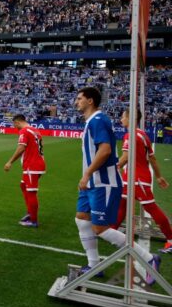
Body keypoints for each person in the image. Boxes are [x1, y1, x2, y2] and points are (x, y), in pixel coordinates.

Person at [73, 87, 160, 282]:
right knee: (81, 218)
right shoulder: (91, 122)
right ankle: (95, 265)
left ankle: (149, 258)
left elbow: (105, 150)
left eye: (79, 98)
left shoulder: (98, 120)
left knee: (99, 228)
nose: (76, 102)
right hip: (92, 183)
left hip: (103, 182)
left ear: (90, 101)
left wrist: (87, 174)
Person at [111, 108, 172, 253]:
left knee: (151, 207)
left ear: (130, 118)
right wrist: (158, 176)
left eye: (123, 117)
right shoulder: (143, 135)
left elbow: (125, 157)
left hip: (137, 178)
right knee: (122, 202)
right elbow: (152, 158)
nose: (121, 120)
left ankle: (171, 239)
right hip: (134, 176)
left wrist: (114, 167)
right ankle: (112, 232)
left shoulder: (130, 135)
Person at [4, 114, 46, 227]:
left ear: (17, 122)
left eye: (14, 124)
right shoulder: (34, 130)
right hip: (38, 163)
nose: (14, 127)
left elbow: (21, 147)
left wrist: (10, 162)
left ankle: (33, 220)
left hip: (32, 166)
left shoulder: (24, 131)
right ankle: (30, 212)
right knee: (23, 186)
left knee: (31, 192)